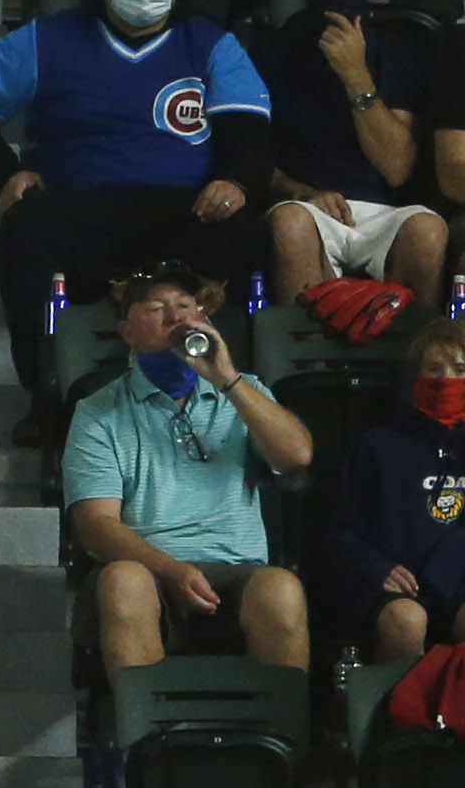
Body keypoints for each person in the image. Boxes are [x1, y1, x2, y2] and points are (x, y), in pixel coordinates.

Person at [0, 0, 274, 426]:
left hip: (182, 208)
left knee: (250, 231)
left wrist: (235, 181)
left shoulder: (209, 43)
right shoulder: (49, 39)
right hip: (82, 206)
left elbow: (249, 127)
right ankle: (44, 391)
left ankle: (241, 392)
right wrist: (5, 173)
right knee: (24, 230)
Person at [66, 269, 313, 671]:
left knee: (281, 588)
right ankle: (144, 729)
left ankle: (278, 728)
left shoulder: (245, 391)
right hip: (147, 569)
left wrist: (227, 378)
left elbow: (296, 456)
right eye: (157, 308)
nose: (176, 317)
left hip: (237, 569)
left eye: (185, 307)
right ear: (128, 332)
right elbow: (95, 524)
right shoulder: (97, 411)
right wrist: (170, 569)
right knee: (123, 582)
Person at [257, 0, 449, 320]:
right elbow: (253, 156)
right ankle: (306, 371)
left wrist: (354, 74)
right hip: (308, 206)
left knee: (428, 231)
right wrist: (301, 191)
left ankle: (417, 368)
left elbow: (397, 168)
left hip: (384, 212)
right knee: (291, 223)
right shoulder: (270, 51)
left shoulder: (402, 49)